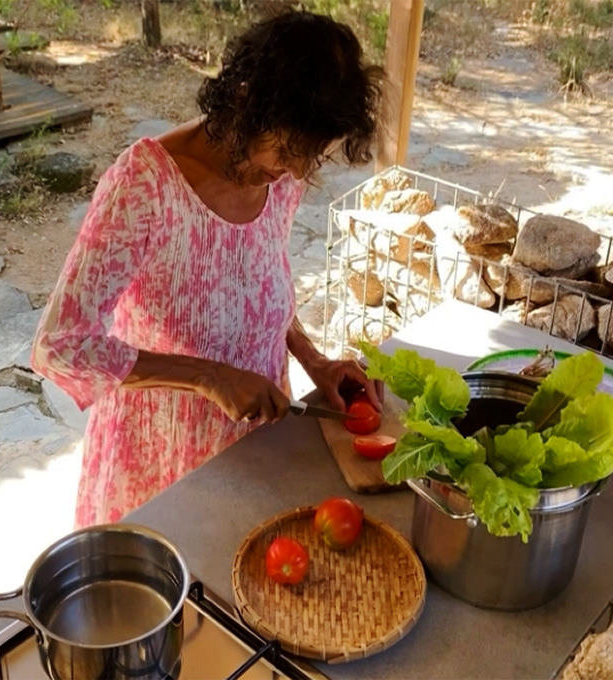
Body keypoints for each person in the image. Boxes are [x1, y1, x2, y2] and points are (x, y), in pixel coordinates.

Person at [31, 11, 385, 527]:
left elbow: (255, 288)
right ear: (245, 100)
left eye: (310, 158)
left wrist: (314, 360)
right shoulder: (146, 185)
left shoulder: (278, 181)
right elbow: (59, 344)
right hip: (162, 463)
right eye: (288, 150)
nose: (296, 172)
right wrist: (207, 376)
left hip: (255, 449)